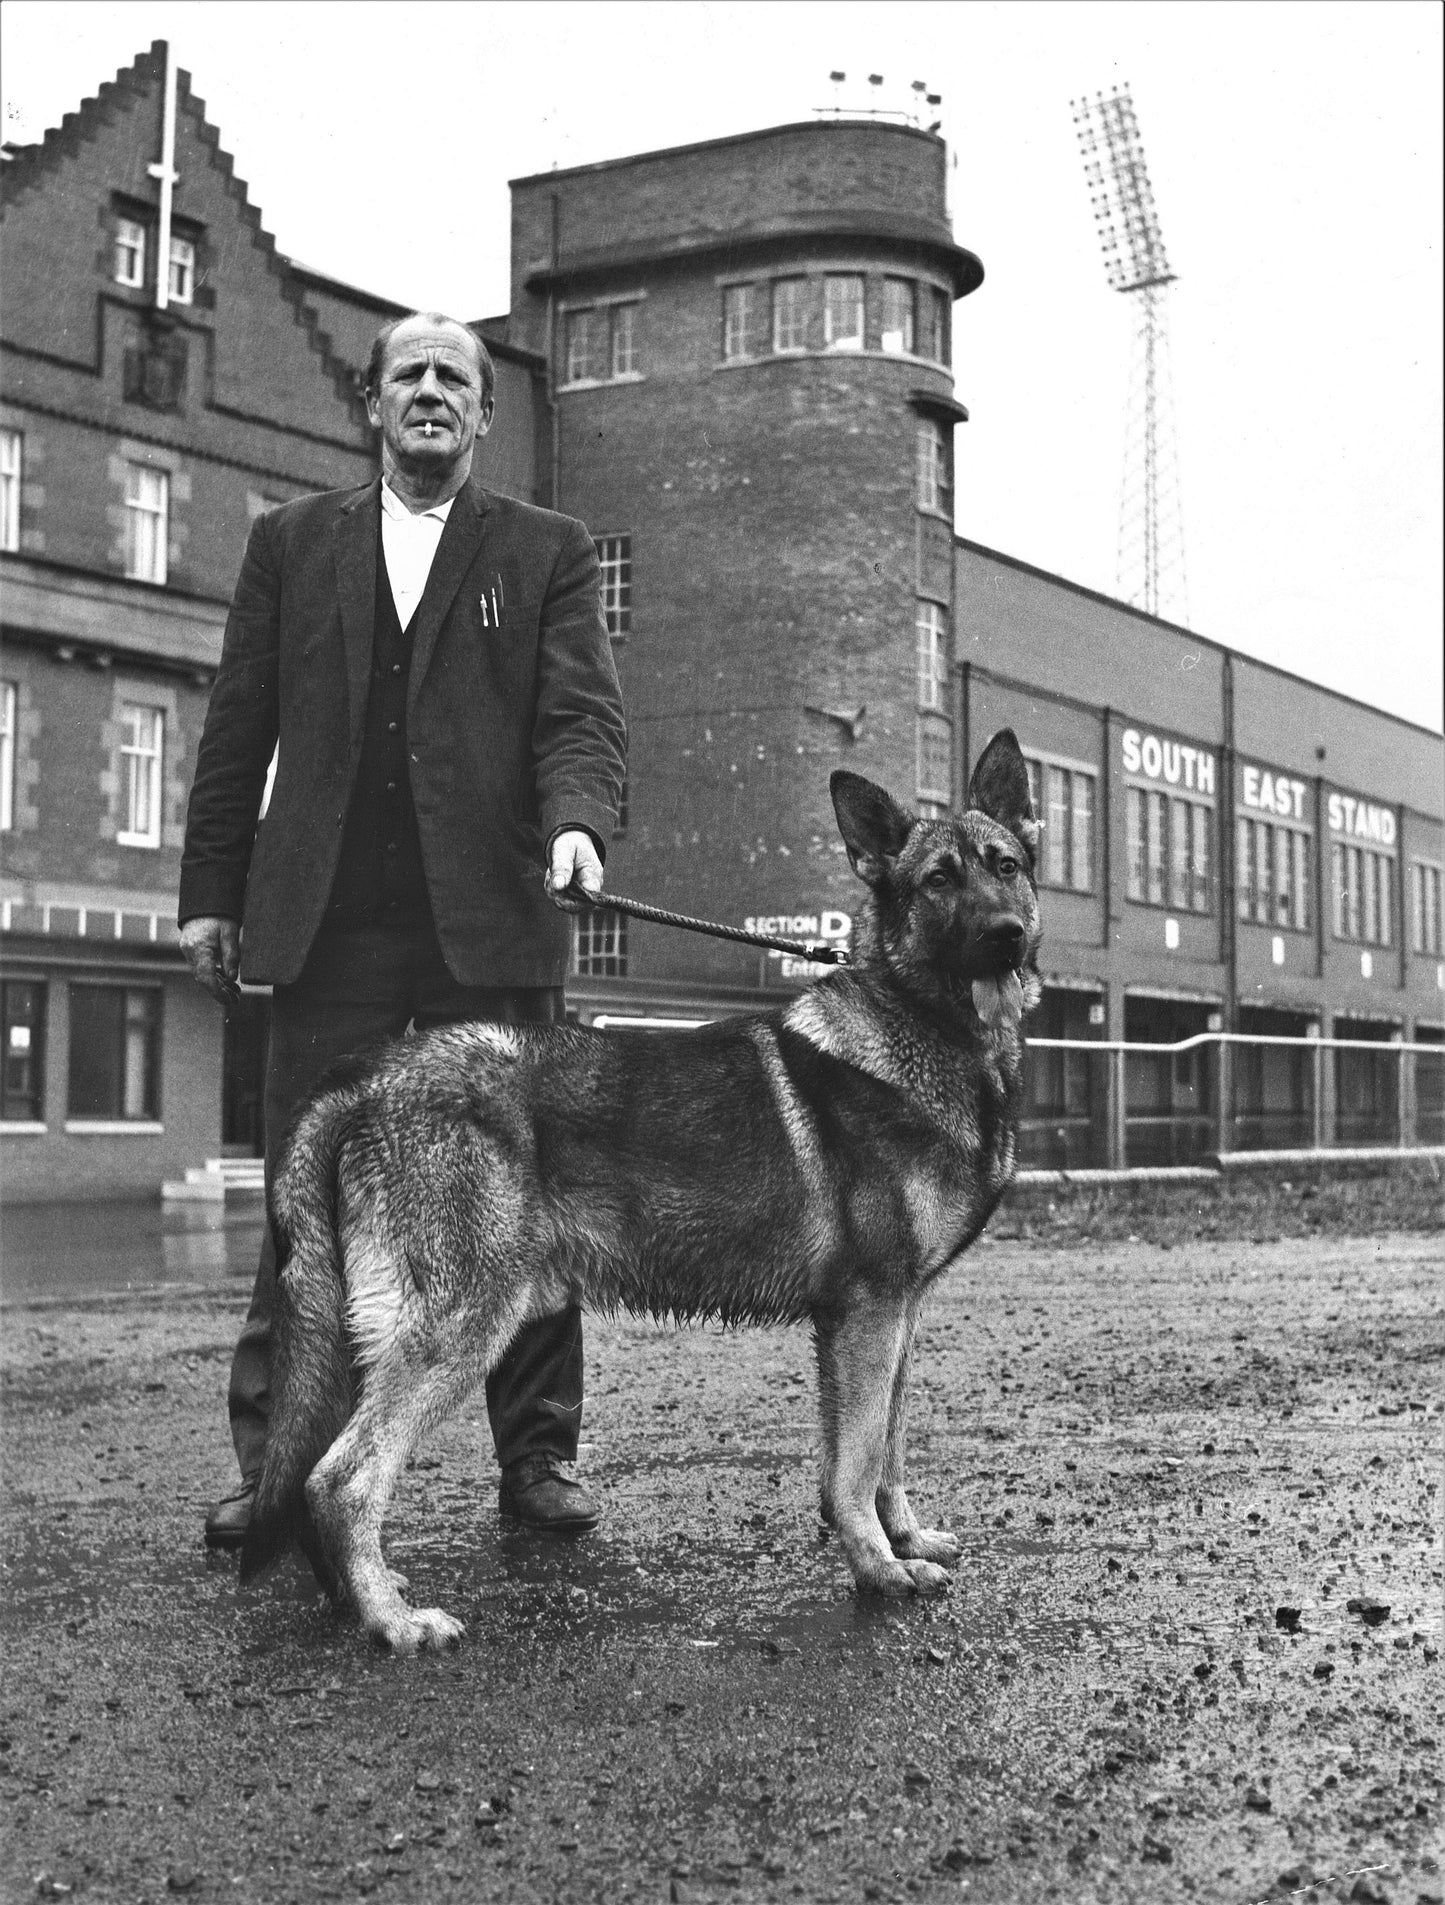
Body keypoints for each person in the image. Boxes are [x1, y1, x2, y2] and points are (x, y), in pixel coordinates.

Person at [178, 311, 626, 1549]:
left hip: (489, 927)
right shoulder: (288, 544)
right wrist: (212, 892)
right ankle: (279, 1474)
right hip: (326, 931)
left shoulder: (548, 550)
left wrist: (579, 823)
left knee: (524, 1204)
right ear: (371, 406)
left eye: (455, 378)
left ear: (484, 416)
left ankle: (536, 1463)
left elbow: (579, 717)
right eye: (408, 375)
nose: (431, 392)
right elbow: (236, 731)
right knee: (305, 1203)